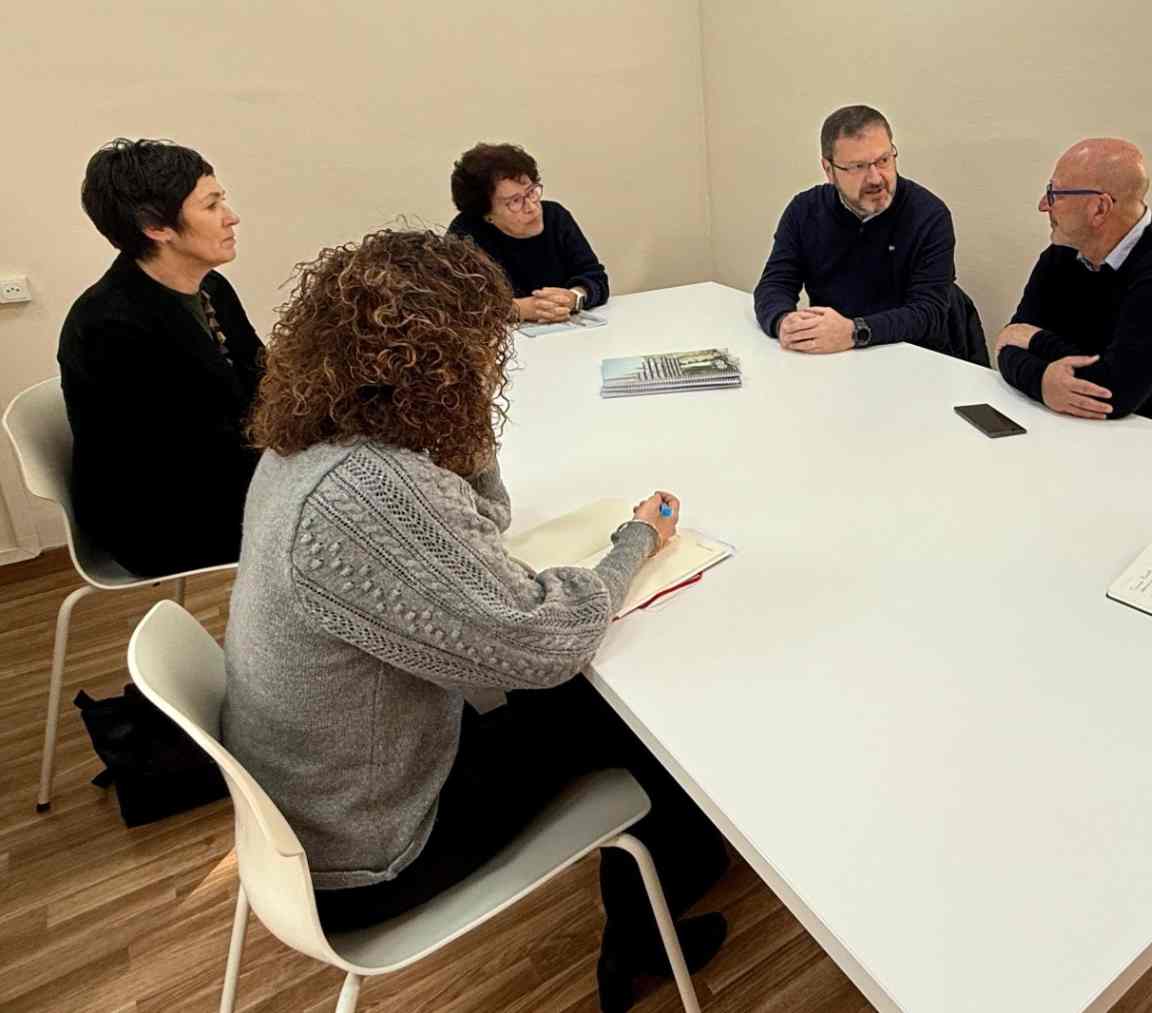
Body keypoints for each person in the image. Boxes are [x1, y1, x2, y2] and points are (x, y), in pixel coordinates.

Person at [222, 229, 726, 1012]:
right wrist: (639, 542)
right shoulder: (368, 491)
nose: (496, 366)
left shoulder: (308, 441)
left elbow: (485, 518)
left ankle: (647, 917)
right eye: (485, 353)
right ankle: (646, 937)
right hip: (374, 848)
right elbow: (545, 639)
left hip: (326, 799)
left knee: (572, 703)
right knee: (659, 735)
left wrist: (455, 424)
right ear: (445, 366)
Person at [57, 138, 265, 577]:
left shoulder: (210, 287)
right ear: (155, 226)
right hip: (162, 522)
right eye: (211, 206)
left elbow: (262, 377)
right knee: (349, 508)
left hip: (222, 481)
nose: (231, 217)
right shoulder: (107, 325)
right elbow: (186, 455)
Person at [994, 138, 1152, 444]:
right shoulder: (1061, 256)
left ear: (1099, 208)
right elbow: (1007, 346)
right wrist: (1044, 378)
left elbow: (1111, 394)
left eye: (1054, 193)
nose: (1043, 205)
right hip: (1099, 436)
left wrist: (1036, 349)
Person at [752, 104, 985, 364]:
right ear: (829, 170)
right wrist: (783, 321)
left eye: (884, 160)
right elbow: (775, 284)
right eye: (858, 167)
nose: (875, 178)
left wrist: (854, 331)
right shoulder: (804, 210)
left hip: (915, 359)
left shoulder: (928, 215)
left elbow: (927, 314)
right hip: (838, 359)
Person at [448, 142, 608, 325]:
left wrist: (574, 297)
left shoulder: (555, 217)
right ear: (486, 213)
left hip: (566, 328)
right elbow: (458, 305)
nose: (532, 207)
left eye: (531, 191)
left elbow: (595, 277)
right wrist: (518, 309)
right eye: (515, 201)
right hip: (500, 341)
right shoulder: (465, 233)